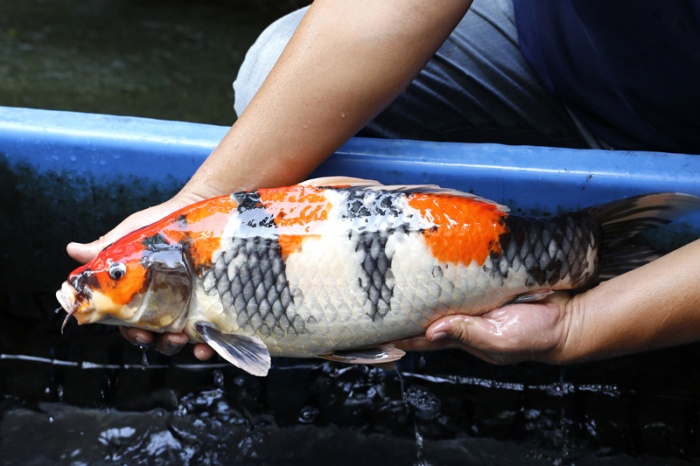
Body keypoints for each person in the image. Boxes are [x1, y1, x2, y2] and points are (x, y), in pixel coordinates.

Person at [67, 0, 700, 364]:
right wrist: (203, 199)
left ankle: (587, 258)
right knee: (274, 69)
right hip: (563, 53)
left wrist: (580, 327)